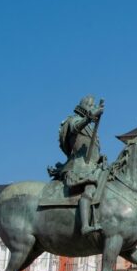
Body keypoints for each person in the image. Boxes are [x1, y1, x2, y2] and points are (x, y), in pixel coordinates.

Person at [49, 95, 105, 234]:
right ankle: (85, 226)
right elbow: (75, 128)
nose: (92, 108)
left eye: (93, 106)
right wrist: (89, 118)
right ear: (84, 105)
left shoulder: (91, 129)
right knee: (90, 188)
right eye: (91, 105)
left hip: (92, 167)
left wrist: (100, 158)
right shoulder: (72, 120)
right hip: (78, 167)